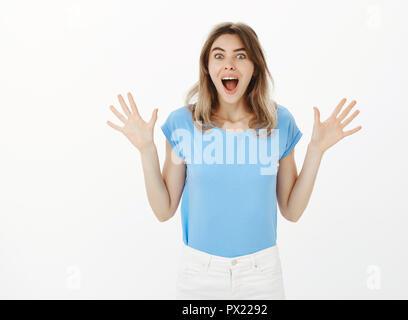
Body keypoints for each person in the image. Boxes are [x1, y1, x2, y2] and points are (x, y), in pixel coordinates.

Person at [106, 22, 362, 300]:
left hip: (261, 275)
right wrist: (146, 150)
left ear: (255, 67)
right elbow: (163, 209)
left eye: (240, 56)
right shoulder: (183, 124)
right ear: (207, 67)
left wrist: (316, 150)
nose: (229, 65)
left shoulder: (279, 122)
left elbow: (292, 210)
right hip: (199, 275)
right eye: (219, 56)